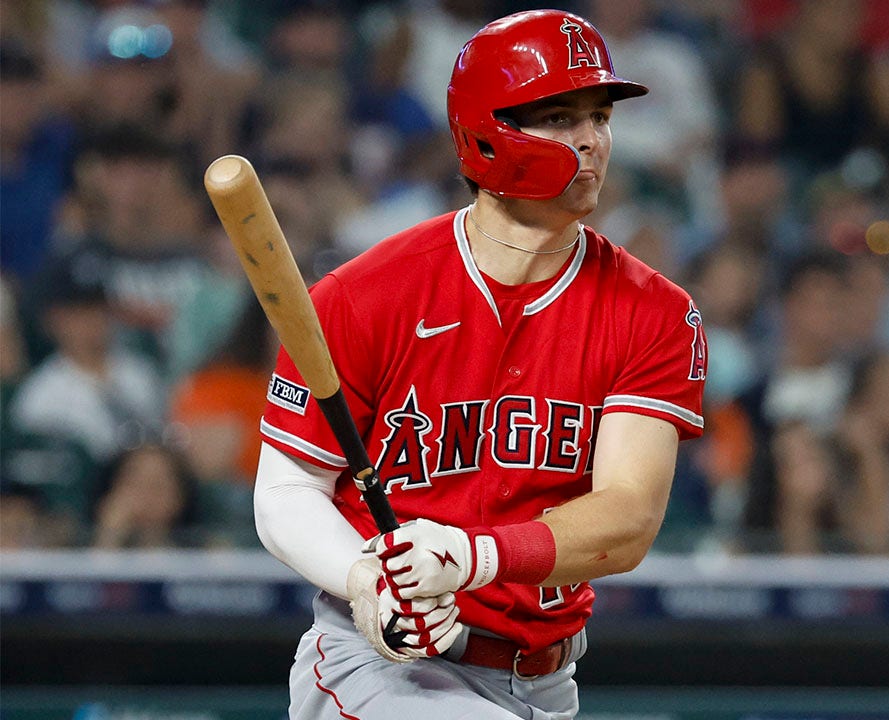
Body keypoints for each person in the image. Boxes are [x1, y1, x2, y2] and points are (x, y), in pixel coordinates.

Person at [251, 10, 706, 719]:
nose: (591, 140)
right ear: (487, 134)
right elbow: (284, 491)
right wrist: (367, 578)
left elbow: (627, 520)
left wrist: (472, 556)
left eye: (598, 117)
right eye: (559, 117)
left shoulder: (654, 312)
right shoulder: (364, 295)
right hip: (379, 666)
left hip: (546, 679)